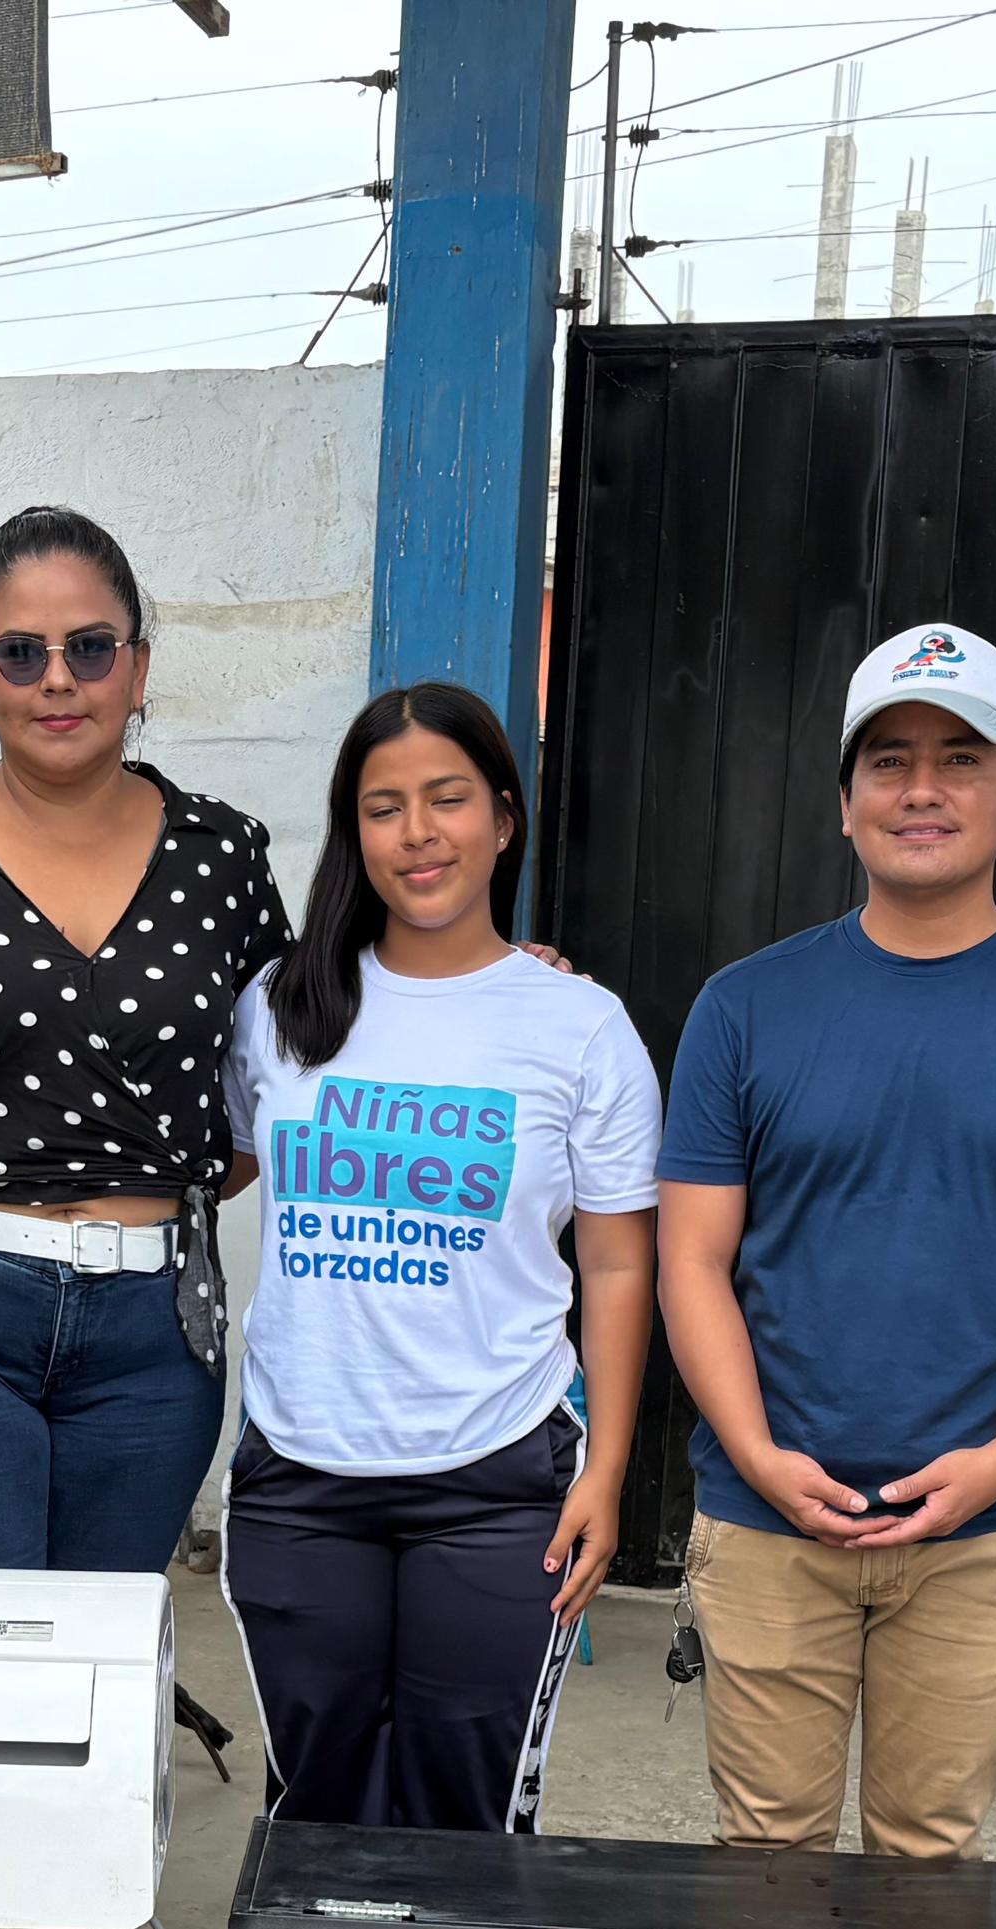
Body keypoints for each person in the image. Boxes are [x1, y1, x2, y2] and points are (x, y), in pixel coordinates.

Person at [658, 622, 996, 1861]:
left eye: (960, 759)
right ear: (844, 802)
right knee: (763, 1854)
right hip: (768, 1511)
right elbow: (690, 1261)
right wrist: (757, 1454)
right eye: (887, 761)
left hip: (982, 1525)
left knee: (927, 1857)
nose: (920, 790)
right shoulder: (743, 1007)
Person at [0, 506, 293, 1572]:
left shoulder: (222, 855)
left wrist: (493, 974)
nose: (58, 680)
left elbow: (293, 1066)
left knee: (97, 1651)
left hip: (155, 1332)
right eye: (21, 653)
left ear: (139, 665)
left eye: (91, 648)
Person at [218, 682, 660, 1831]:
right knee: (313, 1805)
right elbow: (215, 1170)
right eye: (383, 808)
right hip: (301, 1469)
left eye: (447, 799)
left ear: (503, 820)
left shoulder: (579, 1026)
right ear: (351, 832)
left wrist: (607, 1470)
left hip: (497, 1474)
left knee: (466, 1816)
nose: (416, 833)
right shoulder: (277, 1006)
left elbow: (618, 1267)